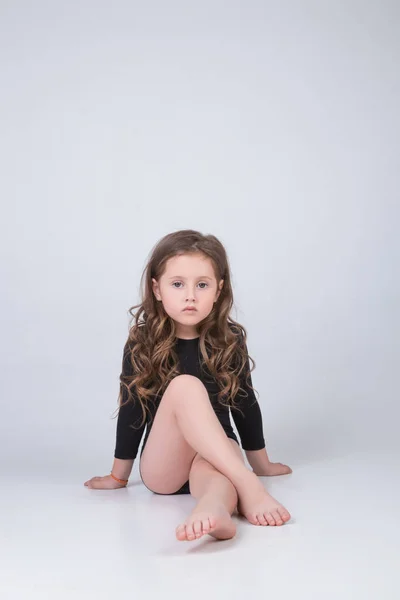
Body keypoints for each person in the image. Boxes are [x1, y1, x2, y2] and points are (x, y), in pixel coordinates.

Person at [84, 229, 292, 542]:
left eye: (202, 285)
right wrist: (118, 476)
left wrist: (263, 463)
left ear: (219, 290)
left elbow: (245, 402)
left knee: (215, 477)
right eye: (178, 284)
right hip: (164, 465)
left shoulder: (230, 339)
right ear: (157, 289)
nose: (190, 295)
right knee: (185, 386)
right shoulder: (142, 342)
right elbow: (131, 410)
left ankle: (214, 509)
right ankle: (248, 485)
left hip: (217, 454)